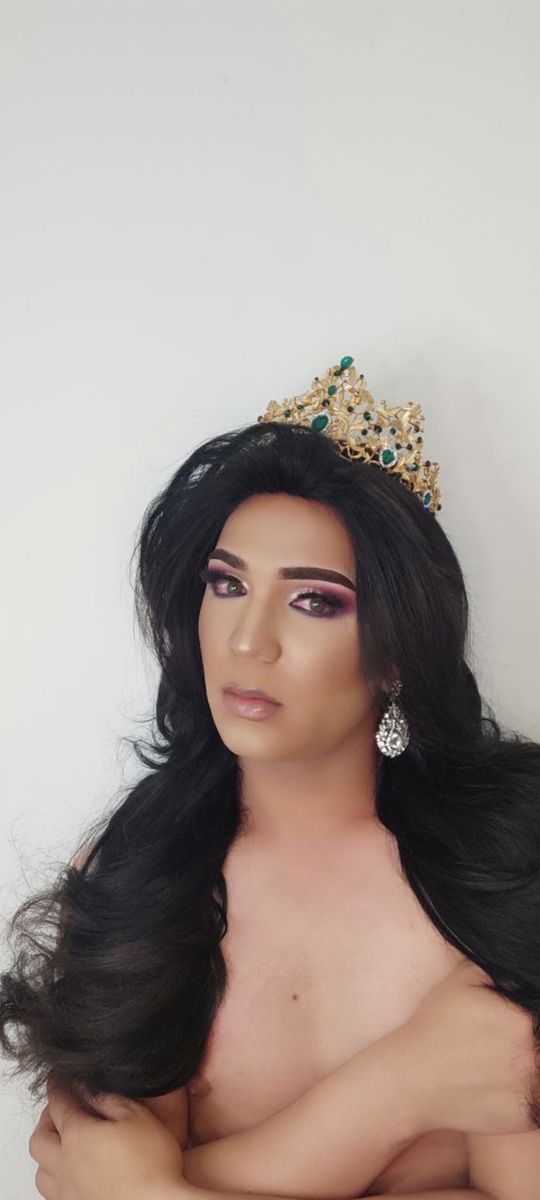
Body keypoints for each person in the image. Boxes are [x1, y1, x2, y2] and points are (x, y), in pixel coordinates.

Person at [2, 355, 540, 1198]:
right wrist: (398, 1089)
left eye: (314, 600)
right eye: (226, 584)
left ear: (396, 649)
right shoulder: (137, 871)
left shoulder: (502, 864)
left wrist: (160, 1189)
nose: (247, 640)